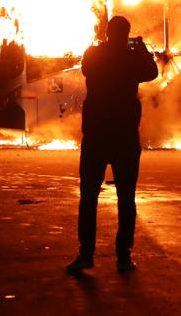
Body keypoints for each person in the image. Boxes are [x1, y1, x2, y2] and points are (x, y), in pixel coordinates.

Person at [67, 15, 158, 275]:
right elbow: (152, 72)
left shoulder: (95, 54)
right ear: (126, 33)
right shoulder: (131, 59)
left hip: (97, 135)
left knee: (88, 198)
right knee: (126, 199)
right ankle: (124, 256)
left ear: (107, 33)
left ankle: (86, 255)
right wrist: (140, 49)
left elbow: (86, 67)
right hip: (124, 136)